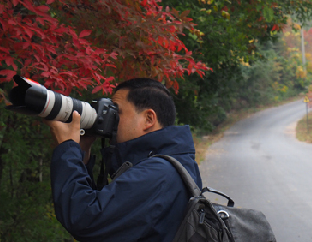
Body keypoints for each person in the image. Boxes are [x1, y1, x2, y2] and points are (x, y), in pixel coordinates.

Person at [44, 78, 201, 242]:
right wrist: (81, 151)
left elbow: (85, 219)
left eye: (116, 112)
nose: (110, 120)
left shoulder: (159, 174)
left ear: (149, 119)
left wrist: (67, 148)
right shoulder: (171, 165)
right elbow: (107, 217)